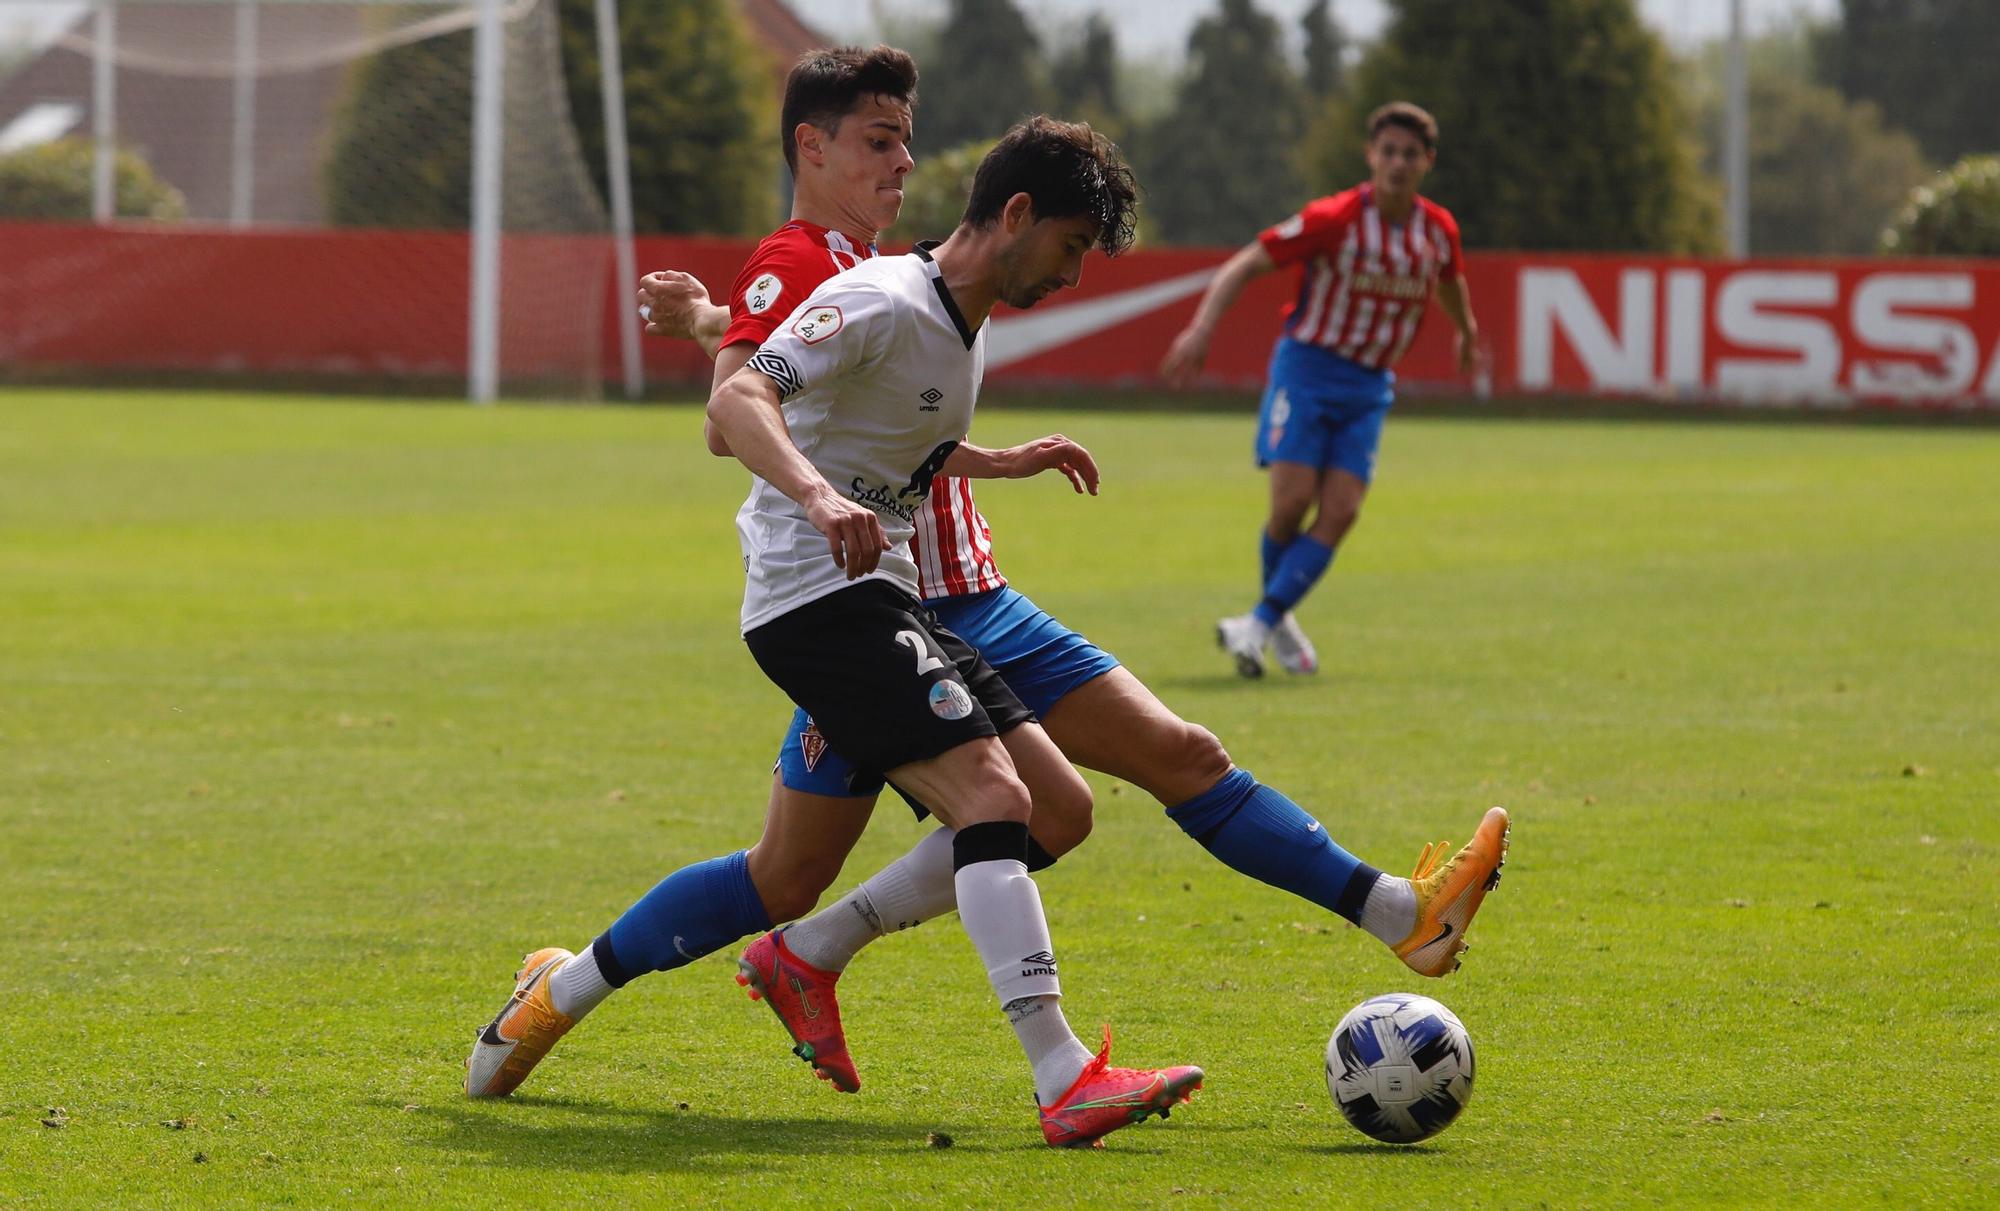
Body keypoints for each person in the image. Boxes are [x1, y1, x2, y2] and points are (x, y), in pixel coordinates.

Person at [471, 51, 1508, 1137]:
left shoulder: (913, 291)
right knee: (1019, 799)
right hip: (860, 597)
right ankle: (1067, 1063)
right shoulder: (831, 268)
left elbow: (860, 403)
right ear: (810, 146)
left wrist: (992, 460)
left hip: (906, 591)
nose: (903, 158)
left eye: (905, 137)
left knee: (862, 854)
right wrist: (811, 479)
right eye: (879, 138)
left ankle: (598, 984)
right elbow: (742, 400)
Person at [1162, 101, 1482, 680]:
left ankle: (1259, 622)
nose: (1398, 164)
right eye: (1388, 152)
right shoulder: (1332, 218)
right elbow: (1245, 264)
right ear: (1371, 156)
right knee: (1290, 505)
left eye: (1410, 154)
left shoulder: (1437, 231)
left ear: (1427, 162)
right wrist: (1203, 327)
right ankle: (1270, 621)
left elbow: (1450, 282)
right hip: (1307, 371)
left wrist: (1467, 332)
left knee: (1341, 511)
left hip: (1369, 385)